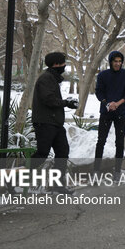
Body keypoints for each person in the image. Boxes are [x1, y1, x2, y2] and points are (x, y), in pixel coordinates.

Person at [31, 52, 78, 194]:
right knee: (42, 154)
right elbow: (48, 99)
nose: (64, 66)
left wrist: (65, 102)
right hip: (45, 123)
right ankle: (13, 177)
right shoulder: (46, 79)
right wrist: (66, 103)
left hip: (55, 123)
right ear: (56, 64)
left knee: (63, 152)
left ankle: (58, 184)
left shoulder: (52, 78)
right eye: (63, 63)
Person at [93, 51, 125, 180]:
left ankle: (117, 171)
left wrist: (118, 103)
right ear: (111, 62)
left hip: (121, 112)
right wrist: (107, 103)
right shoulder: (103, 75)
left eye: (119, 61)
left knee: (120, 142)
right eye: (115, 61)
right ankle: (96, 169)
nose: (117, 63)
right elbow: (99, 92)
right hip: (106, 112)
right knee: (101, 141)